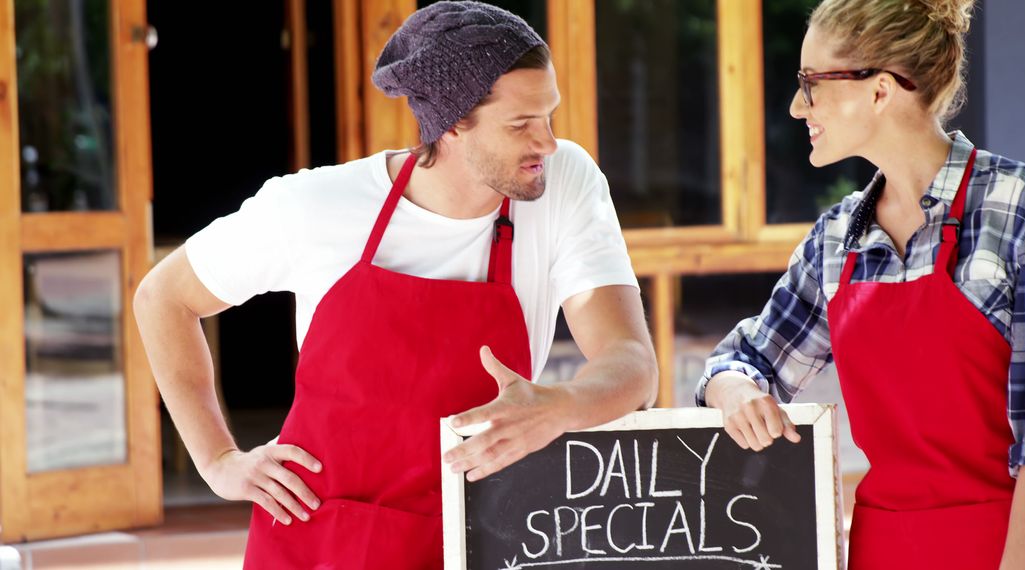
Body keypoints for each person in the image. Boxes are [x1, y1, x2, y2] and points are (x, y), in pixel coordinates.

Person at [133, 2, 657, 567]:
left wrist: (560, 406)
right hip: (325, 540)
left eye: (549, 116)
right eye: (521, 125)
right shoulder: (317, 207)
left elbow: (631, 363)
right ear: (452, 123)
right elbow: (164, 297)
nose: (548, 143)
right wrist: (218, 461)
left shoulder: (564, 184)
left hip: (478, 536)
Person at [696, 0, 1025, 567]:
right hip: (886, 551)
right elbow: (742, 361)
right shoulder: (836, 240)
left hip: (1018, 549)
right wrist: (736, 391)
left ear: (879, 91)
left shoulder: (1022, 207)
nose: (797, 106)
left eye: (811, 83)